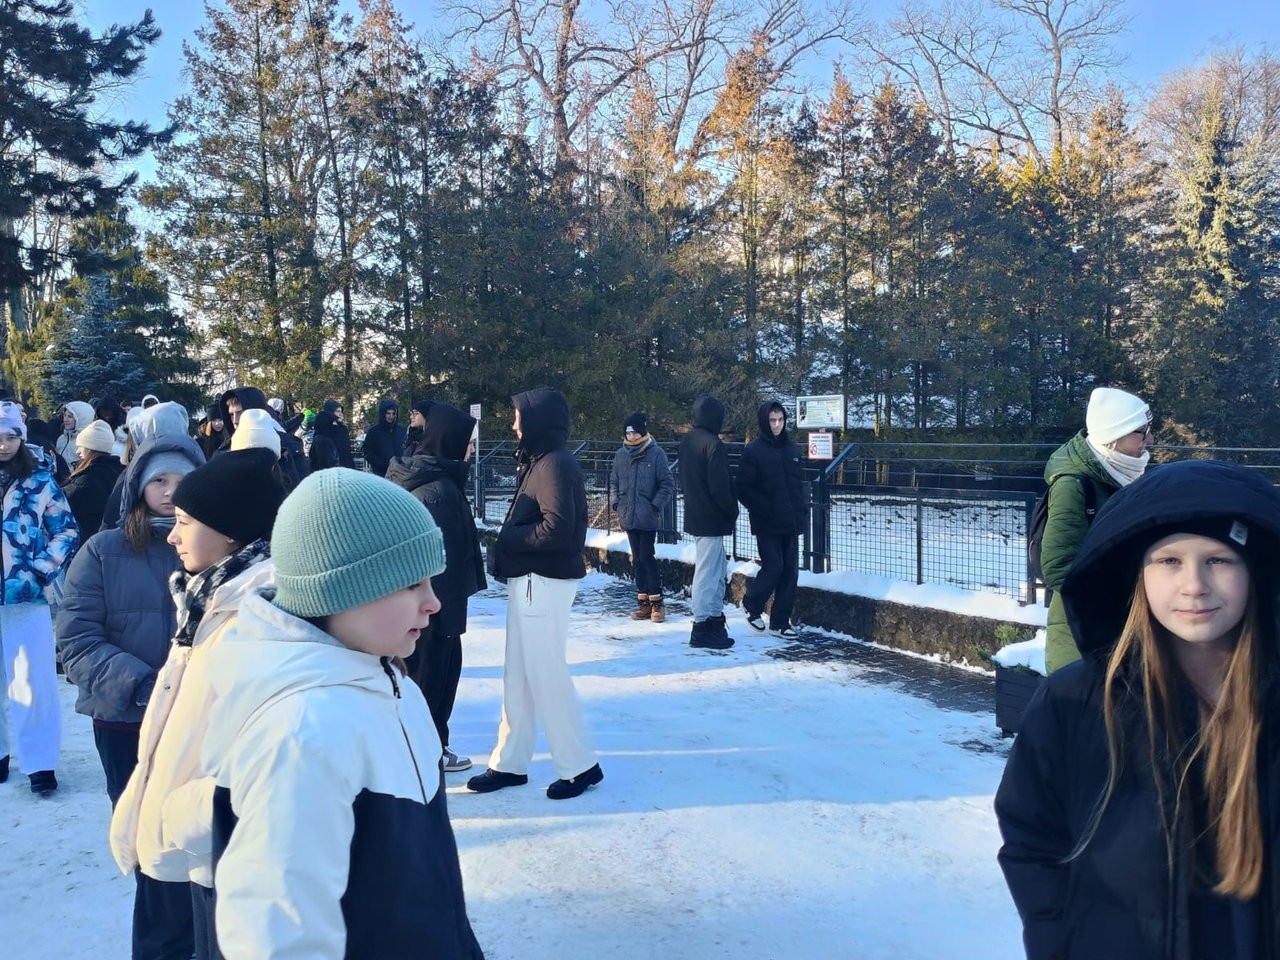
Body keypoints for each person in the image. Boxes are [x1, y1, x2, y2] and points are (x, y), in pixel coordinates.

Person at [995, 459, 1280, 959]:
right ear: (1136, 574)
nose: (1194, 585)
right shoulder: (1075, 703)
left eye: (1219, 560)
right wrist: (1060, 941)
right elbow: (1032, 841)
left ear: (1254, 569)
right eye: (1168, 561)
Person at [199, 469, 486, 959]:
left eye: (432, 581)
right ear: (340, 591)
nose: (434, 602)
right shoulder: (303, 733)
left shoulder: (393, 687)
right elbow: (277, 934)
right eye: (411, 584)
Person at [109, 449, 284, 960]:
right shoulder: (207, 599)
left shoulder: (253, 619)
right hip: (193, 844)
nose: (172, 536)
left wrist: (183, 815)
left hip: (216, 848)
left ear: (230, 532)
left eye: (185, 522)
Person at [58, 434, 202, 960]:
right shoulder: (103, 551)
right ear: (138, 485)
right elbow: (77, 641)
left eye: (181, 481)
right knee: (154, 850)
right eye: (158, 479)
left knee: (203, 846)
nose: (169, 491)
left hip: (202, 723)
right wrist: (147, 687)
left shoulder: (219, 551)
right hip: (127, 724)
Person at [469, 388, 602, 800]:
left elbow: (559, 529)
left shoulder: (556, 464)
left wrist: (511, 538)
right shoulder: (541, 461)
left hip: (541, 581)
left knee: (545, 673)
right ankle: (509, 762)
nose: (514, 425)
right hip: (529, 580)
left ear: (537, 421)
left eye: (519, 418)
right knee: (519, 676)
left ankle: (579, 765)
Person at [387, 402, 487, 773]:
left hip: (427, 608)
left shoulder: (428, 479)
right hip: (436, 611)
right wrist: (437, 613)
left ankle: (424, 746)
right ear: (450, 441)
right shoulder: (437, 492)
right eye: (468, 442)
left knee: (422, 677)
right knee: (433, 679)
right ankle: (428, 749)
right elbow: (438, 561)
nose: (472, 449)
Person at [1042, 386, 1152, 673]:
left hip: (1118, 629)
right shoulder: (1073, 485)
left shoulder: (1123, 476)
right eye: (1142, 432)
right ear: (1116, 435)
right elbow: (1058, 566)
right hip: (1081, 637)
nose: (1150, 439)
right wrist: (1127, 590)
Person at [0, 400, 80, 794]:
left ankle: (40, 762)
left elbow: (66, 530)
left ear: (21, 437)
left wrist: (39, 569)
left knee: (32, 679)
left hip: (25, 595)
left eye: (10, 436)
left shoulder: (39, 480)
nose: (3, 444)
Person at [736, 401, 805, 639]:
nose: (777, 425)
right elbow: (743, 487)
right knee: (774, 566)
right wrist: (764, 508)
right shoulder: (754, 450)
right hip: (767, 521)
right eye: (772, 420)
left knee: (790, 572)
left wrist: (801, 511)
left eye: (780, 420)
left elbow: (797, 484)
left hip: (791, 521)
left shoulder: (792, 449)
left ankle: (780, 621)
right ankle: (752, 603)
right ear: (765, 421)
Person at [678, 395, 738, 650]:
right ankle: (702, 625)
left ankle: (713, 620)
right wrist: (732, 509)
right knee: (708, 573)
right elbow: (720, 486)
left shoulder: (688, 441)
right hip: (712, 517)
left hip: (695, 513)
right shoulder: (713, 444)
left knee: (713, 569)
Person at [608, 411, 674, 623]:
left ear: (643, 432)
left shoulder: (656, 453)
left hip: (647, 516)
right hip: (628, 515)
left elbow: (667, 483)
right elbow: (614, 481)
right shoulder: (621, 455)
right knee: (637, 558)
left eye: (635, 432)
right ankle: (643, 601)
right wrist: (616, 504)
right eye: (628, 433)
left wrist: (655, 505)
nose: (632, 436)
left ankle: (657, 601)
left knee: (646, 556)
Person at [62, 419, 125, 535]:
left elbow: (59, 501)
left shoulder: (86, 480)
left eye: (81, 447)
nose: (77, 452)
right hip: (110, 536)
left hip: (86, 537)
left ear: (91, 449)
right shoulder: (120, 471)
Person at [361, 398, 405, 477]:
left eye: (393, 413)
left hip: (399, 473)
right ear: (383, 414)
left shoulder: (402, 430)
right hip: (380, 474)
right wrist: (380, 465)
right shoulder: (374, 431)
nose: (391, 416)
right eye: (388, 413)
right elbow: (368, 452)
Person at [55, 401, 95, 468]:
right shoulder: (61, 439)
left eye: (70, 416)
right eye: (64, 415)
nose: (65, 420)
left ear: (81, 419)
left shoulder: (89, 442)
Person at [320, 398, 355, 469]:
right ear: (330, 412)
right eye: (337, 411)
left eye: (341, 412)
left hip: (344, 466)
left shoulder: (343, 429)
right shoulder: (323, 429)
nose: (340, 414)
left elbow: (347, 451)